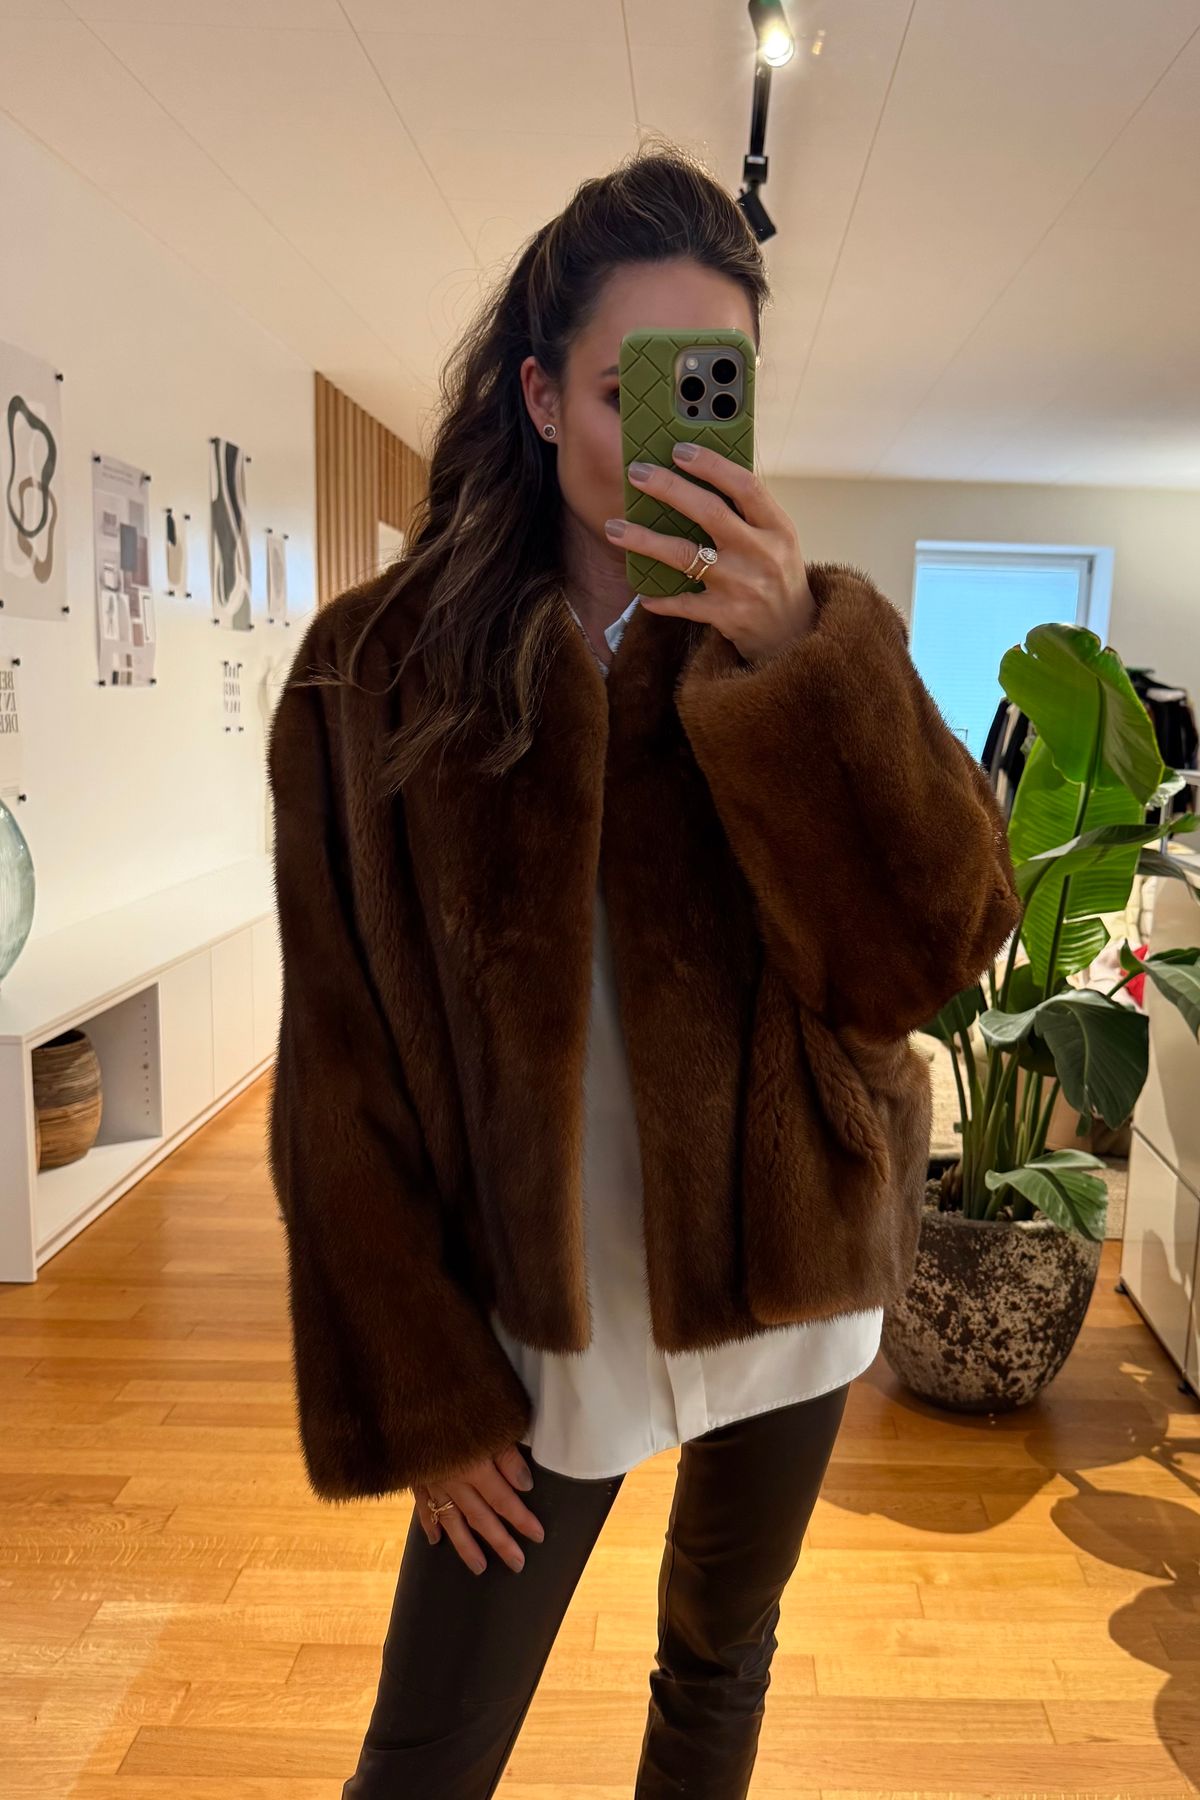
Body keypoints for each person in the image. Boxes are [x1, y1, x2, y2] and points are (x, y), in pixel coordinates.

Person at [266, 142, 1021, 1798]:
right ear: (543, 400)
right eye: (632, 392)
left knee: (719, 1663)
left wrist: (800, 670)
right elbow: (338, 1069)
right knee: (425, 1755)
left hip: (795, 1277)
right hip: (543, 1324)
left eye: (712, 389)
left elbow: (929, 955)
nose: (675, 439)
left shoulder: (812, 638)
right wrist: (425, 1385)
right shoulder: (373, 678)